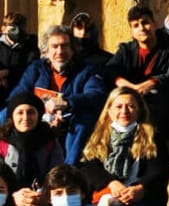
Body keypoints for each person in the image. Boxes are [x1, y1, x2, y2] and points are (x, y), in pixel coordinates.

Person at [80, 90, 169, 206]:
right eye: (119, 106)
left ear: (139, 110)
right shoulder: (97, 136)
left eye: (131, 106)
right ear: (109, 110)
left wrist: (141, 189)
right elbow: (88, 168)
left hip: (140, 198)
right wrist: (110, 183)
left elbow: (159, 172)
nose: (124, 111)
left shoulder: (152, 137)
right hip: (105, 195)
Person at [6, 25, 109, 163]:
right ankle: (10, 158)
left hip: (70, 119)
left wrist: (67, 103)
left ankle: (68, 168)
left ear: (72, 49)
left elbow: (97, 95)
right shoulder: (36, 68)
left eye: (64, 46)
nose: (60, 51)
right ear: (46, 51)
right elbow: (17, 96)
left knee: (83, 121)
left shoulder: (86, 70)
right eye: (54, 46)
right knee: (5, 114)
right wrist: (39, 111)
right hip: (39, 117)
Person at [106, 4, 169, 141]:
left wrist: (150, 83)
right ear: (131, 31)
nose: (142, 28)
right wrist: (130, 87)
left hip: (161, 102)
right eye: (136, 25)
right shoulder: (126, 50)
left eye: (145, 23)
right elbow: (109, 70)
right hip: (130, 99)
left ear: (154, 24)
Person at [0, 93, 65, 206]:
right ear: (12, 116)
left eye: (31, 112)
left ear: (38, 115)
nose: (25, 117)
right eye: (20, 112)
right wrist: (14, 196)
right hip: (7, 202)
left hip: (42, 202)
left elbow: (57, 174)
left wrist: (44, 195)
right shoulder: (1, 141)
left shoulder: (49, 140)